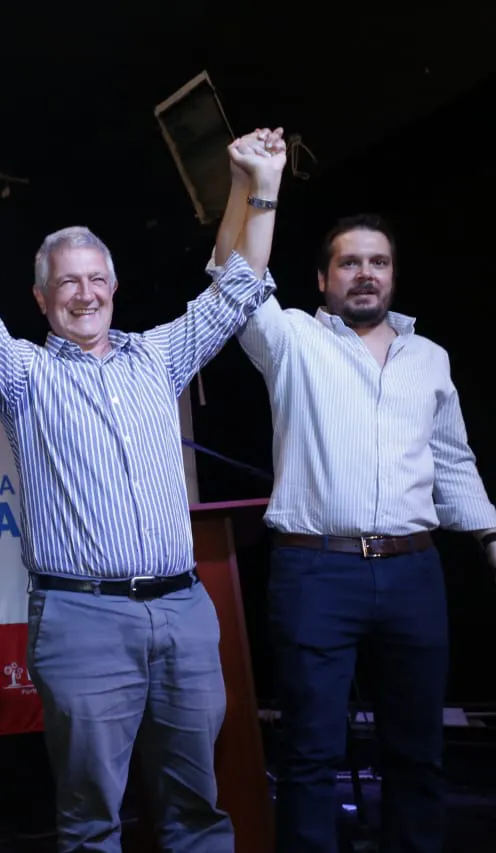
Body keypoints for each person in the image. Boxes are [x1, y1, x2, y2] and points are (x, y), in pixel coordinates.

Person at [0, 124, 286, 852]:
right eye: (67, 281)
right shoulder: (25, 375)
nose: (84, 294)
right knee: (92, 821)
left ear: (114, 287)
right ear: (40, 295)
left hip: (183, 609)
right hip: (82, 620)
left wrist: (262, 186)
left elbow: (238, 286)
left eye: (96, 279)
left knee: (198, 809)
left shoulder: (157, 356)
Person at [213, 189, 496, 852]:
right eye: (349, 263)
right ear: (322, 277)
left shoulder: (430, 359)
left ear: (393, 275)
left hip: (413, 570)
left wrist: (489, 534)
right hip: (317, 570)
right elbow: (232, 274)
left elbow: (453, 460)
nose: (364, 272)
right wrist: (255, 188)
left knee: (418, 750)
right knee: (312, 751)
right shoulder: (290, 338)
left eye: (378, 261)